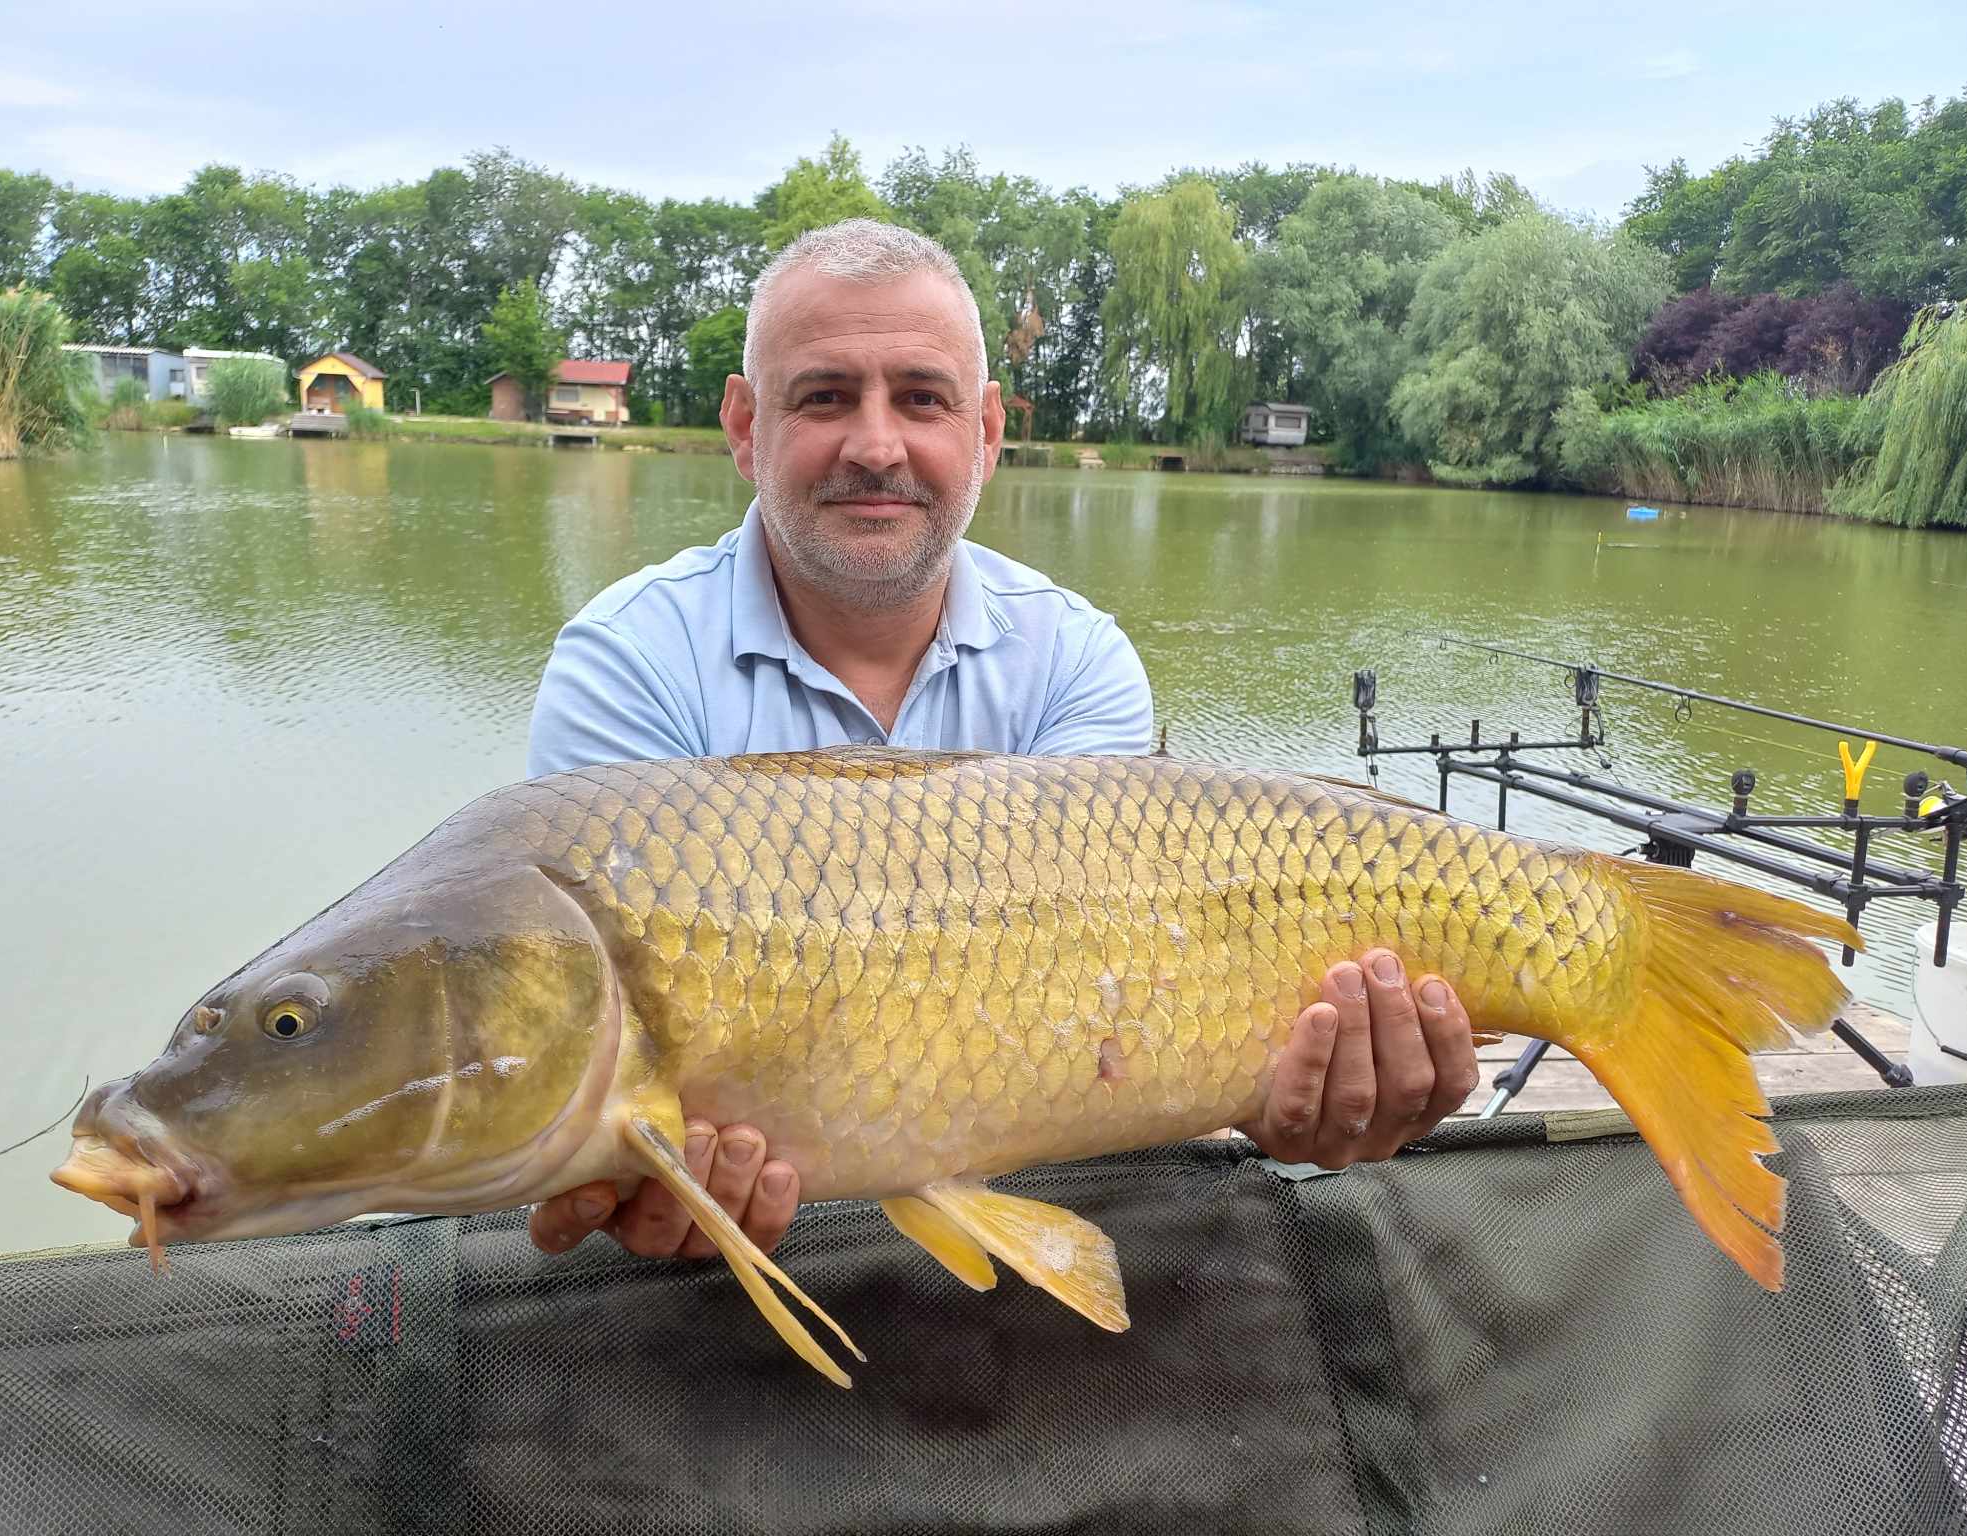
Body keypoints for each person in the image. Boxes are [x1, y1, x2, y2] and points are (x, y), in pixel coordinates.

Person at [521, 219, 1480, 1263]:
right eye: (825, 395)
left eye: (921, 399)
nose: (876, 445)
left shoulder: (1073, 659)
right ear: (745, 426)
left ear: (985, 434)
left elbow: (1114, 1003)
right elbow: (610, 1064)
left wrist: (1274, 1088)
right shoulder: (627, 661)